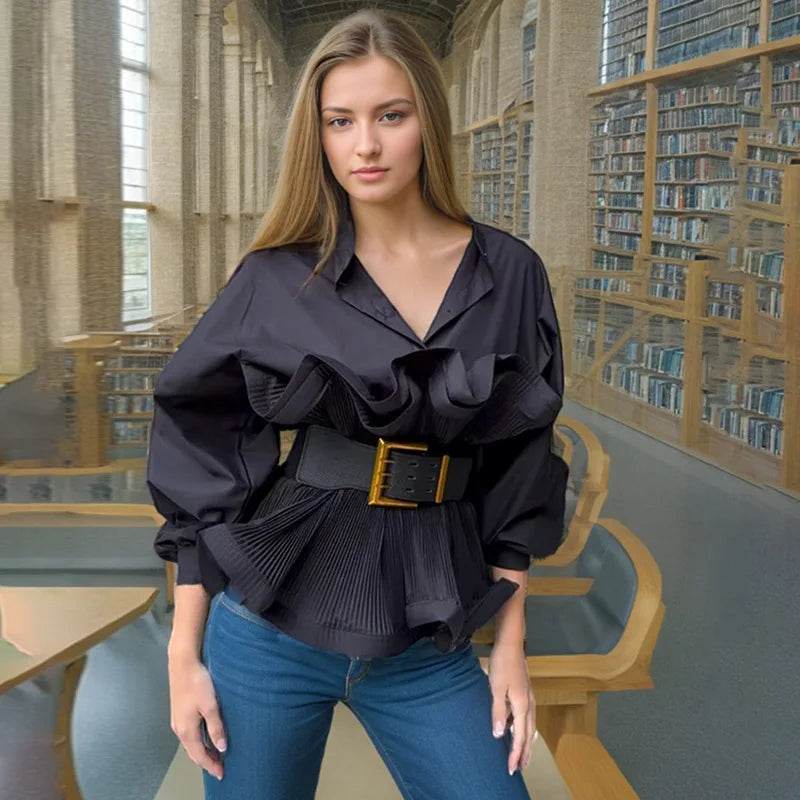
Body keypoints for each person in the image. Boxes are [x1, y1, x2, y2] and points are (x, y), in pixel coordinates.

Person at [146, 9, 568, 800]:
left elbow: (523, 465)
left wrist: (509, 644)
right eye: (340, 121)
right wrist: (184, 659)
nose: (364, 145)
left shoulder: (511, 272)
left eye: (390, 116)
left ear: (426, 125)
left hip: (428, 640)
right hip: (266, 629)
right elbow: (199, 449)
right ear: (319, 135)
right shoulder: (273, 277)